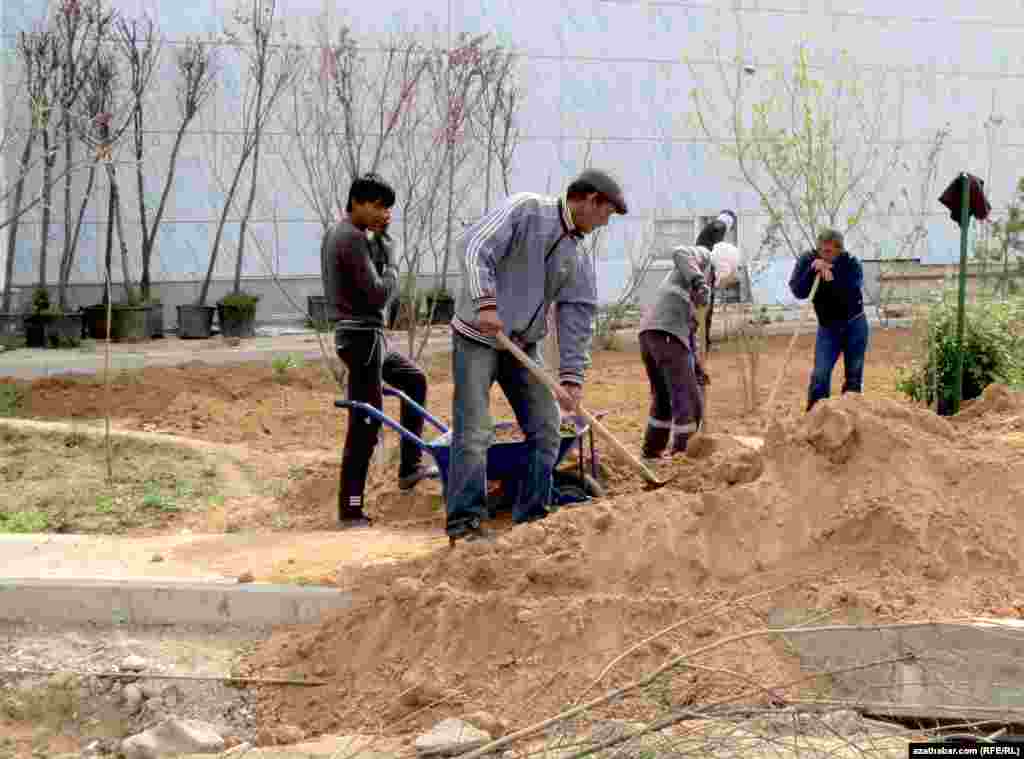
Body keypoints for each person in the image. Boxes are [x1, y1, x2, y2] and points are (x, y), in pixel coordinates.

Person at [445, 169, 629, 543]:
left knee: (547, 427)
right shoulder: (526, 210)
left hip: (522, 347)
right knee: (475, 430)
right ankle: (465, 525)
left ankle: (531, 519)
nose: (604, 223)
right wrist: (485, 303)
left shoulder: (575, 254)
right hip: (477, 337)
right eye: (606, 213)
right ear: (590, 200)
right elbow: (475, 246)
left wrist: (572, 377)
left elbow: (577, 314)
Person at [321, 173, 438, 528]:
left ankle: (409, 467)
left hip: (365, 338)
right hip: (362, 340)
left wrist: (383, 242)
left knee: (413, 379)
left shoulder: (345, 234)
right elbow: (376, 294)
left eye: (387, 208)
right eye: (377, 206)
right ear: (356, 202)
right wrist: (393, 264)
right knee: (365, 424)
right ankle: (351, 510)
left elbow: (368, 274)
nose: (383, 213)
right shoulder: (350, 238)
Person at [638, 241, 713, 459]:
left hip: (652, 335)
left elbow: (690, 332)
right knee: (688, 400)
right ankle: (683, 455)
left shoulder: (703, 291)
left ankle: (652, 451)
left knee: (663, 398)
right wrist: (699, 282)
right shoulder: (705, 258)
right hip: (666, 334)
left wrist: (696, 367)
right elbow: (679, 251)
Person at [788, 228, 869, 412]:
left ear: (839, 250)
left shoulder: (851, 263)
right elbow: (798, 291)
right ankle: (815, 415)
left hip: (854, 325)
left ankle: (851, 414)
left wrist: (831, 275)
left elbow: (848, 291)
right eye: (820, 250)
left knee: (854, 376)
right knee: (820, 375)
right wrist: (812, 271)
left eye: (828, 251)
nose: (823, 254)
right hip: (828, 328)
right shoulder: (809, 260)